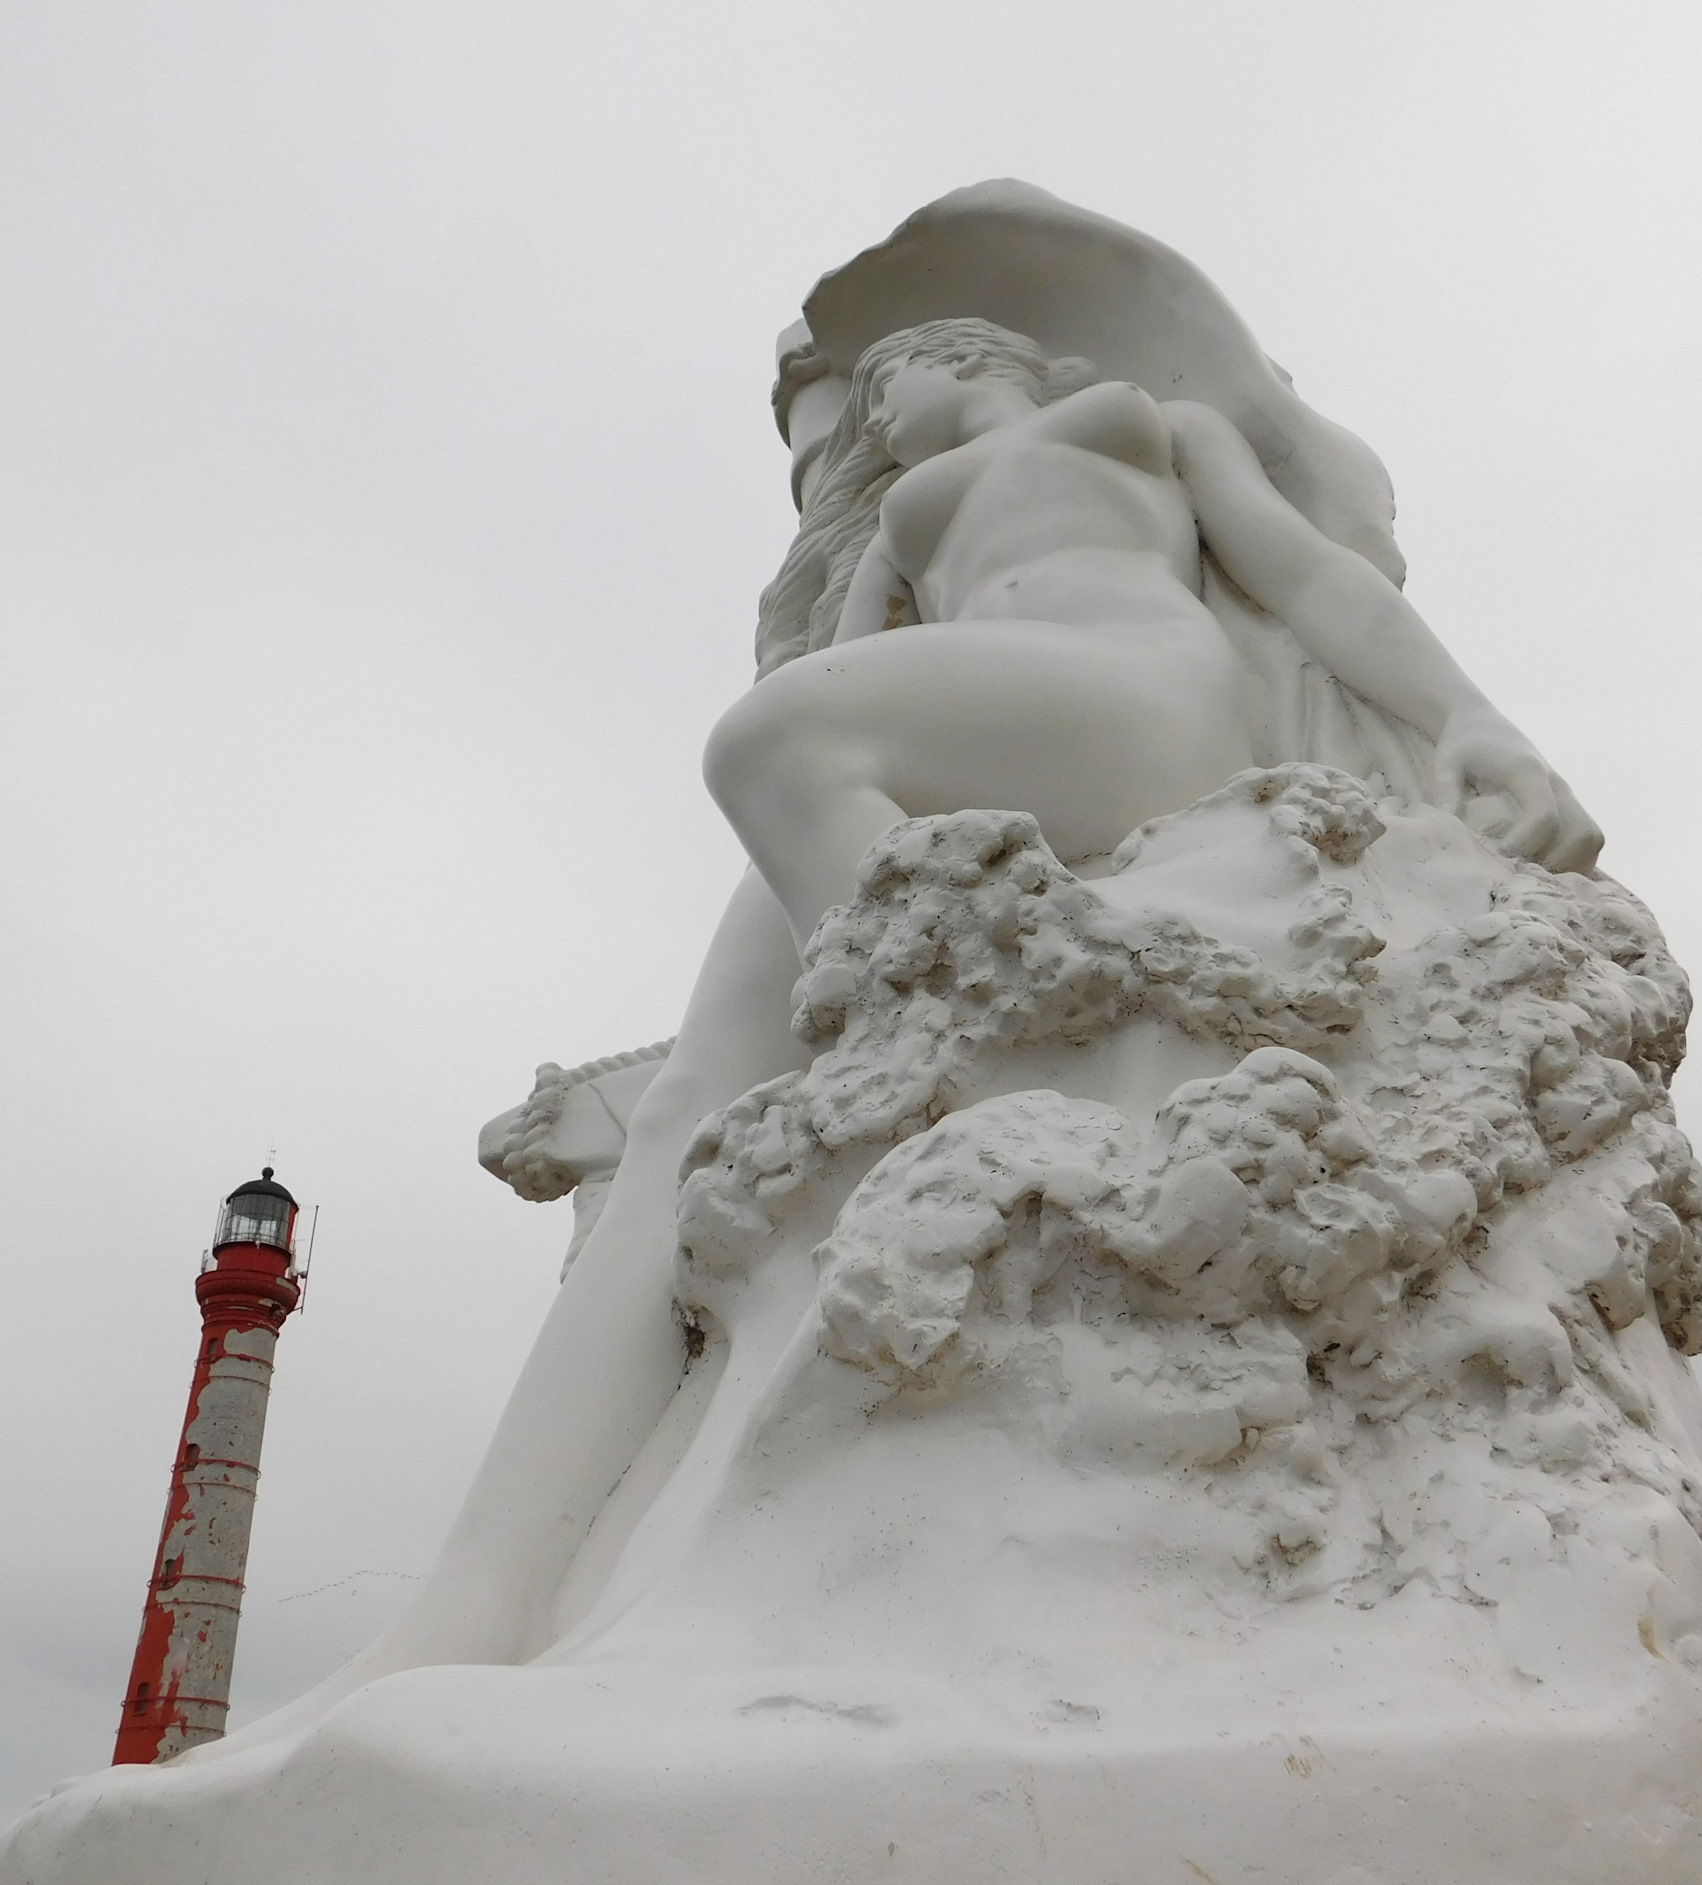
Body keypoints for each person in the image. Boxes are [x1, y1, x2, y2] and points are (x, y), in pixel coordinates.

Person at [210, 291, 1603, 1747]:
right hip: (964, 747)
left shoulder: (1139, 425)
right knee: (688, 1105)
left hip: (1135, 709)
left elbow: (1314, 585)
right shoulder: (900, 525)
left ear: (984, 358)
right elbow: (838, 659)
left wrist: (1474, 721)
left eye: (902, 376)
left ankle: (942, 1065)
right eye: (861, 402)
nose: (879, 412)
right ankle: (472, 1602)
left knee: (770, 745)